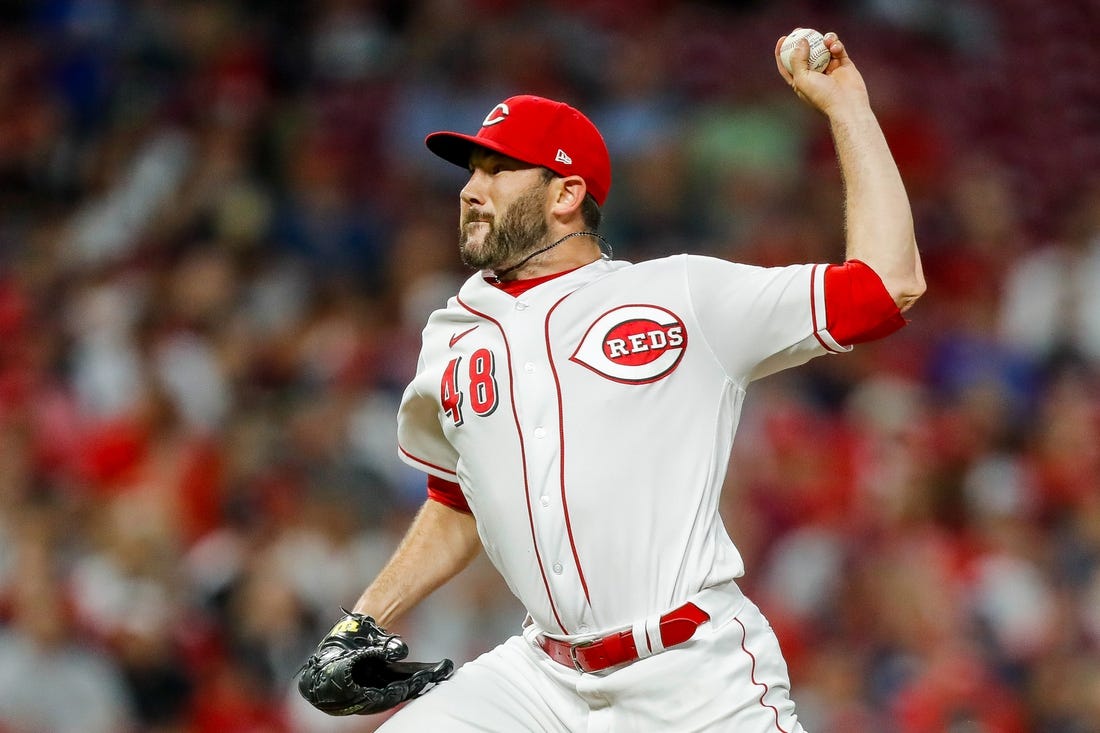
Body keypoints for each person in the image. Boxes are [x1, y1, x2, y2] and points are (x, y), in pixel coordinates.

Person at [311, 31, 925, 731]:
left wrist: (849, 108)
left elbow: (887, 285)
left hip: (691, 671)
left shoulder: (680, 295)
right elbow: (458, 500)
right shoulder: (453, 334)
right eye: (468, 172)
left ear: (567, 192)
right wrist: (363, 620)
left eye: (497, 170)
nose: (470, 190)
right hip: (540, 680)